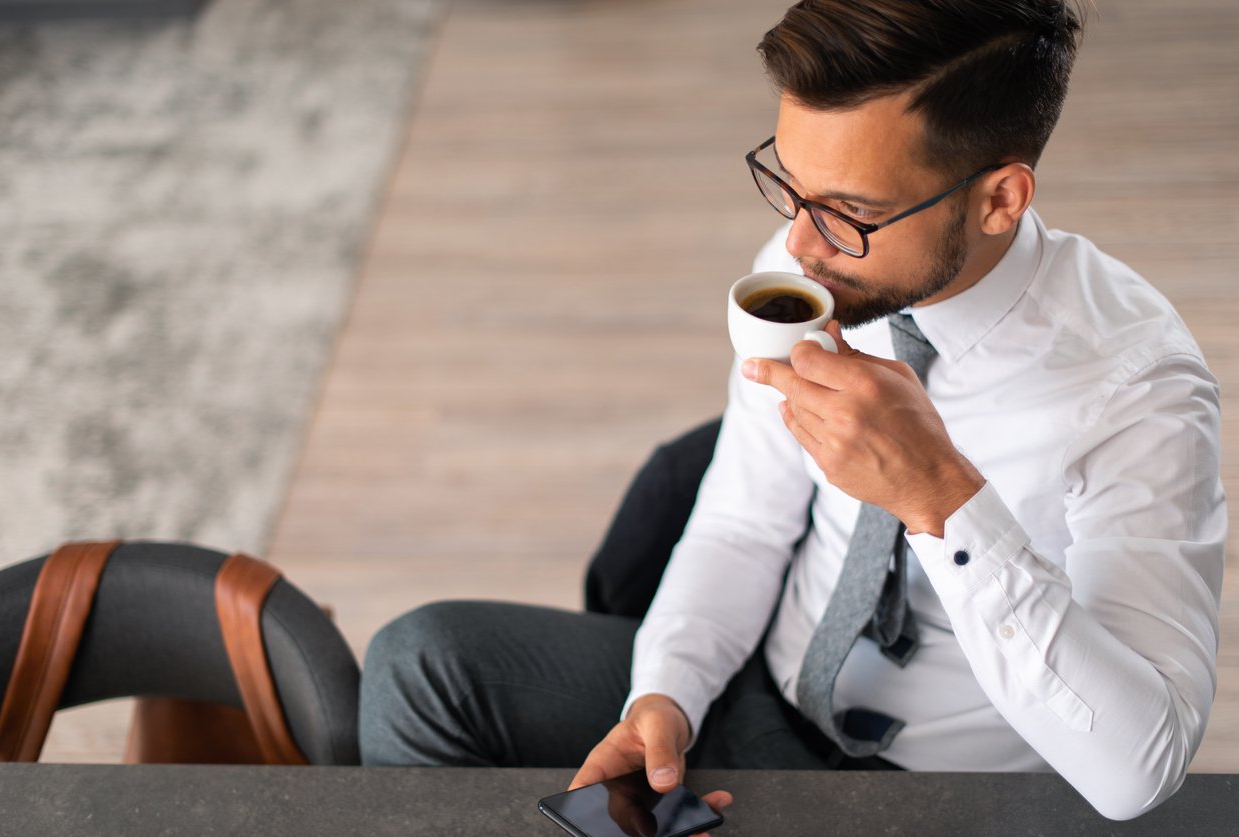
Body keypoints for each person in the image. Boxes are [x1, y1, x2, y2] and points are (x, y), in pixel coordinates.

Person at [358, 0, 1226, 823]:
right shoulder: (813, 270)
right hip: (759, 693)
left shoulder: (1139, 391)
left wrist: (942, 498)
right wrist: (665, 693)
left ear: (1000, 198)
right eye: (791, 185)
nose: (801, 246)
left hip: (936, 791)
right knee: (419, 661)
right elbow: (743, 521)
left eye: (850, 212)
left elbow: (1137, 771)